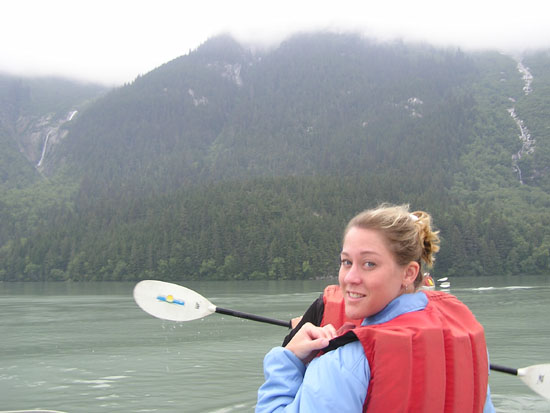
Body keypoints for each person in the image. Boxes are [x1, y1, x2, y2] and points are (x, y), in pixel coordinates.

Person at [256, 204, 495, 412]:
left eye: (369, 264)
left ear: (408, 273)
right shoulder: (464, 341)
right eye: (346, 262)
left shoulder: (342, 364)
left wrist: (286, 360)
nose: (350, 277)